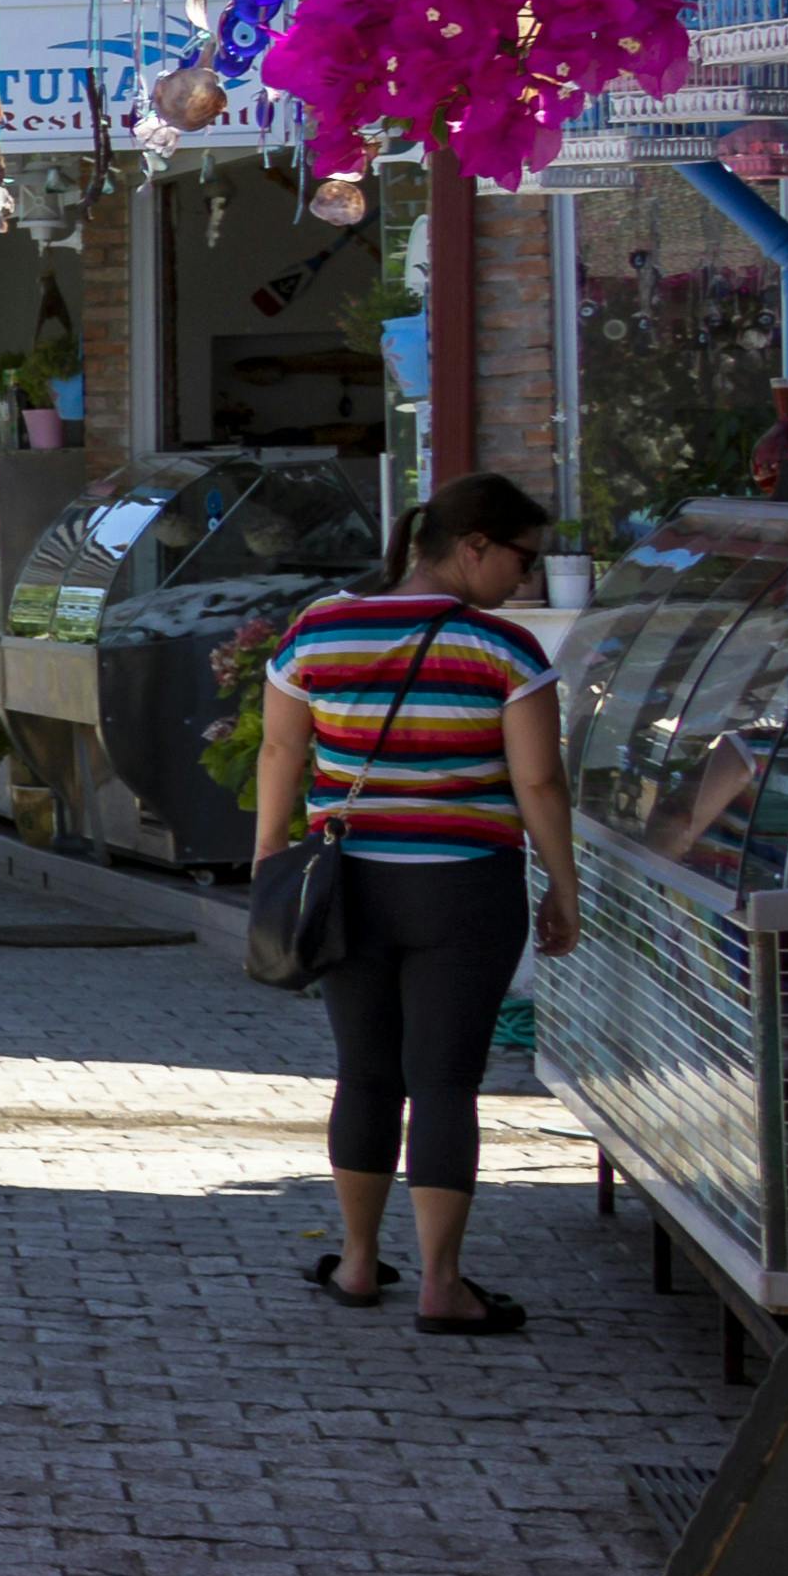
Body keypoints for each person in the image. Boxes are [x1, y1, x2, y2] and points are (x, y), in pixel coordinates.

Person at [250, 470, 579, 1336]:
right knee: (444, 1082)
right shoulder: (505, 650)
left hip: (347, 883)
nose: (526, 578)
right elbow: (538, 780)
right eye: (521, 557)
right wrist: (563, 886)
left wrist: (268, 860)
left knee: (364, 1072)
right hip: (465, 887)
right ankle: (442, 1283)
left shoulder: (318, 629)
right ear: (473, 546)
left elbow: (281, 751)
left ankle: (357, 1264)